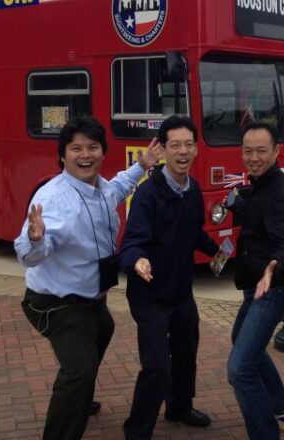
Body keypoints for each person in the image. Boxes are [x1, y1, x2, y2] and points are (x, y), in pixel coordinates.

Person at [15, 116, 162, 440]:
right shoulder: (54, 200)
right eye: (76, 148)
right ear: (62, 155)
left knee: (104, 329)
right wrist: (36, 239)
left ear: (101, 152)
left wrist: (142, 166)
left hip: (90, 296)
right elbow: (27, 255)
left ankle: (78, 394)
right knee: (79, 371)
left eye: (92, 147)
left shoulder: (99, 187)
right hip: (55, 301)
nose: (85, 154)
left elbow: (119, 188)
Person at [119, 116, 222, 439]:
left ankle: (179, 406)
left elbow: (193, 232)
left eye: (189, 144)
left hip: (180, 292)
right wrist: (138, 260)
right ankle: (137, 431)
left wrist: (220, 252)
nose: (183, 151)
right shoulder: (148, 194)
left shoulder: (191, 192)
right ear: (163, 150)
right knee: (157, 367)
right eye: (175, 145)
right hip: (149, 295)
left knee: (186, 350)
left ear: (195, 149)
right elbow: (131, 242)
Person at [226, 121, 284, 439]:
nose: (253, 157)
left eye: (261, 151)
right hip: (255, 287)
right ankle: (282, 406)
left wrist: (274, 266)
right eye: (248, 151)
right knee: (244, 346)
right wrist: (240, 206)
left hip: (273, 289)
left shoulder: (283, 194)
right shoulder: (260, 185)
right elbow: (262, 222)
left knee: (239, 369)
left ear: (276, 151)